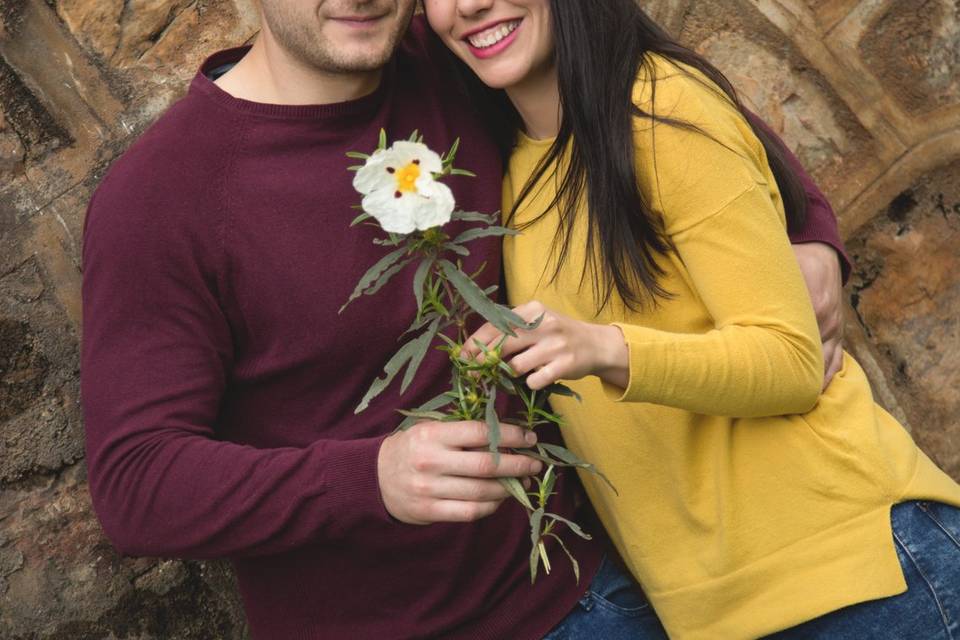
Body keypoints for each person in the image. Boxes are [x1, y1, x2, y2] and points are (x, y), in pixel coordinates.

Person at [81, 1, 848, 638]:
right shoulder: (159, 197)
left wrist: (810, 228)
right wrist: (367, 477)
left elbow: (646, 88)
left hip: (601, 591)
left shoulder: (451, 58)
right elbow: (136, 484)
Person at [423, 0, 960, 639]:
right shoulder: (514, 163)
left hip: (856, 579)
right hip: (718, 612)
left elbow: (790, 361)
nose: (469, 4)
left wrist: (605, 349)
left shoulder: (662, 105)